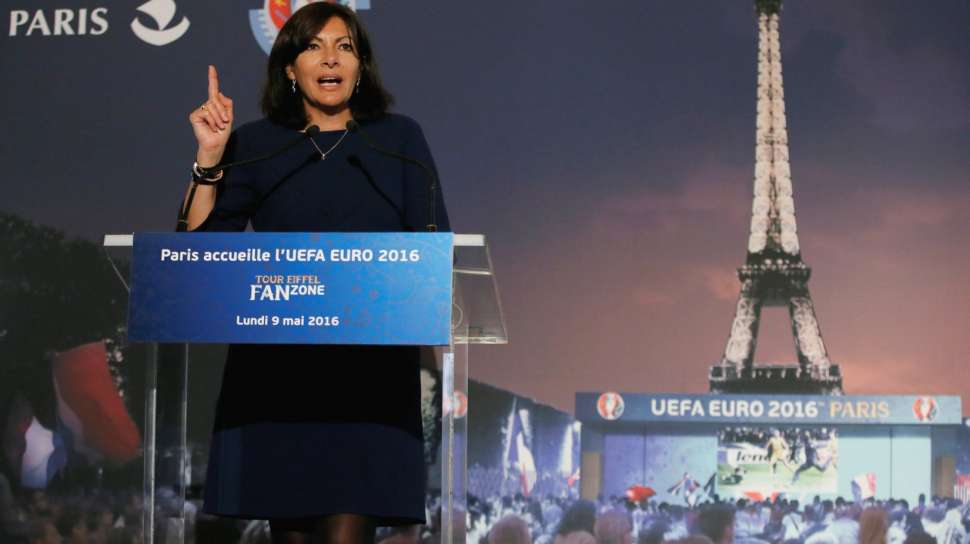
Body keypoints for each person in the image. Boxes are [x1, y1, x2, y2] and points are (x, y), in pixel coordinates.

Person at [181, 3, 449, 544]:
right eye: (314, 46)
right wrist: (210, 158)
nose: (331, 58)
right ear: (289, 67)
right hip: (278, 381)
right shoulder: (254, 145)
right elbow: (199, 255)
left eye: (345, 46)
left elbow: (433, 254)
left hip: (369, 383)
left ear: (361, 65)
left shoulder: (397, 140)